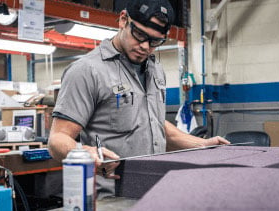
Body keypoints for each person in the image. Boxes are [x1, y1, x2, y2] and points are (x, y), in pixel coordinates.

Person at [48, 0, 229, 193]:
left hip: (156, 188)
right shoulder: (87, 71)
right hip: (110, 197)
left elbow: (155, 125)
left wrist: (202, 144)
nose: (145, 46)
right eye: (140, 35)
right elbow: (57, 139)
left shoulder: (155, 69)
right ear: (123, 20)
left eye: (155, 41)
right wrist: (84, 153)